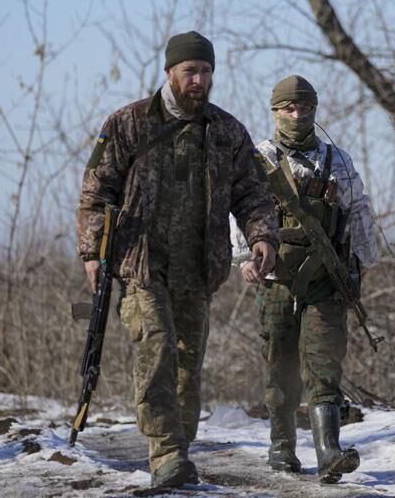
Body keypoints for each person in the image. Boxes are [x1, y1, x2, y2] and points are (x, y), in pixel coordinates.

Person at [77, 30, 278, 489]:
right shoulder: (128, 124)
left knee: (188, 365)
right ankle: (165, 452)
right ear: (169, 72)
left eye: (206, 71)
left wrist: (262, 236)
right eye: (191, 71)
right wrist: (92, 252)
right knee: (158, 347)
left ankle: (179, 453)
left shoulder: (227, 131)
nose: (200, 80)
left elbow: (252, 194)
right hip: (140, 264)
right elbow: (96, 190)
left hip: (198, 268)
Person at [239, 74, 380, 483]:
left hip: (326, 280)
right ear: (275, 111)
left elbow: (358, 210)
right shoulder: (259, 159)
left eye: (304, 107)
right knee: (280, 365)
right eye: (288, 107)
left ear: (315, 110)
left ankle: (329, 452)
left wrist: (366, 259)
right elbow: (241, 211)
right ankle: (282, 447)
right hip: (276, 279)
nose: (297, 114)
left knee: (324, 366)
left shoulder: (337, 160)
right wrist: (244, 258)